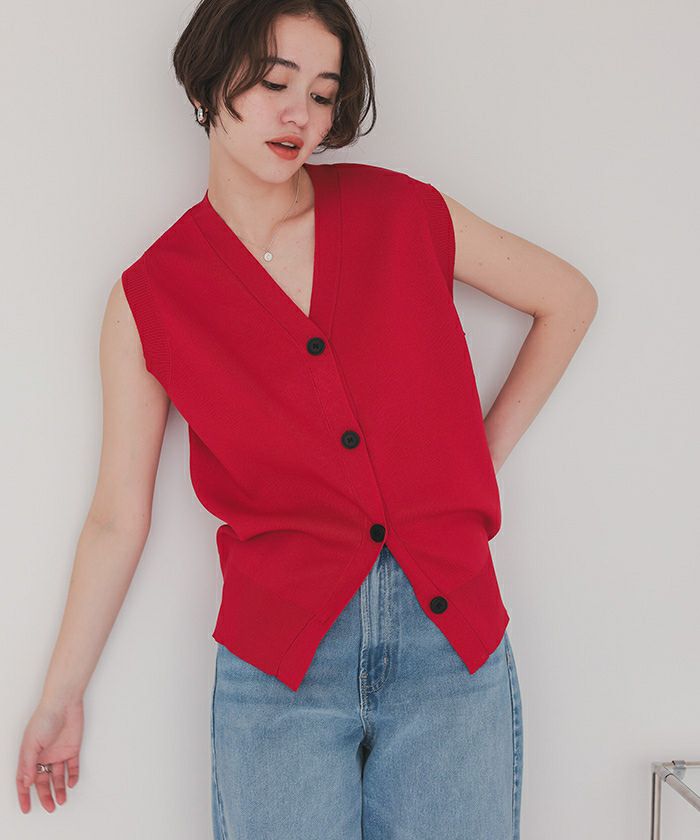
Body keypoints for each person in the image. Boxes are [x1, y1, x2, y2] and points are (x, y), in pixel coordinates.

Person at [15, 1, 598, 837]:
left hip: (450, 648)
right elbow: (116, 516)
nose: (300, 116)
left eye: (322, 94)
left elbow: (568, 299)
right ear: (207, 84)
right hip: (279, 671)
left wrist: (478, 457)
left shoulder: (403, 213)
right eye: (274, 82)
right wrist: (61, 694)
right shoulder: (152, 298)